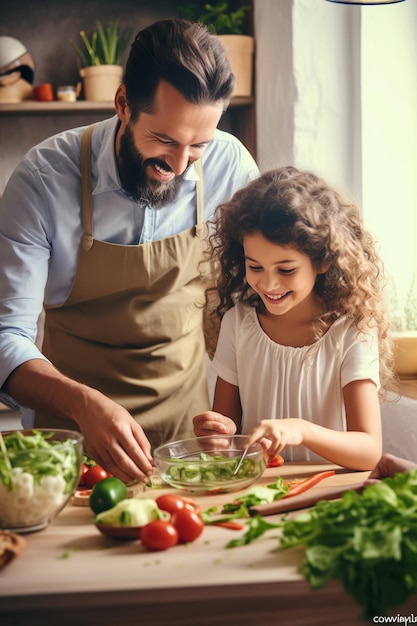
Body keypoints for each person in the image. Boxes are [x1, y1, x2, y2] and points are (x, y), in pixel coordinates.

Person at [0, 18, 259, 483]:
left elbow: (251, 302)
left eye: (198, 145)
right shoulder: (42, 178)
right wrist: (83, 404)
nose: (179, 166)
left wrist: (231, 410)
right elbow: (3, 334)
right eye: (164, 139)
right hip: (68, 438)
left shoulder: (230, 164)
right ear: (123, 103)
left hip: (188, 440)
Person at [193, 166, 397, 471]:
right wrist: (218, 436)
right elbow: (228, 440)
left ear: (323, 260)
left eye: (286, 270)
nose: (268, 284)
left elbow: (368, 450)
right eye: (255, 267)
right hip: (257, 495)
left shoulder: (351, 331)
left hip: (327, 496)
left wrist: (301, 431)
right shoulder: (237, 325)